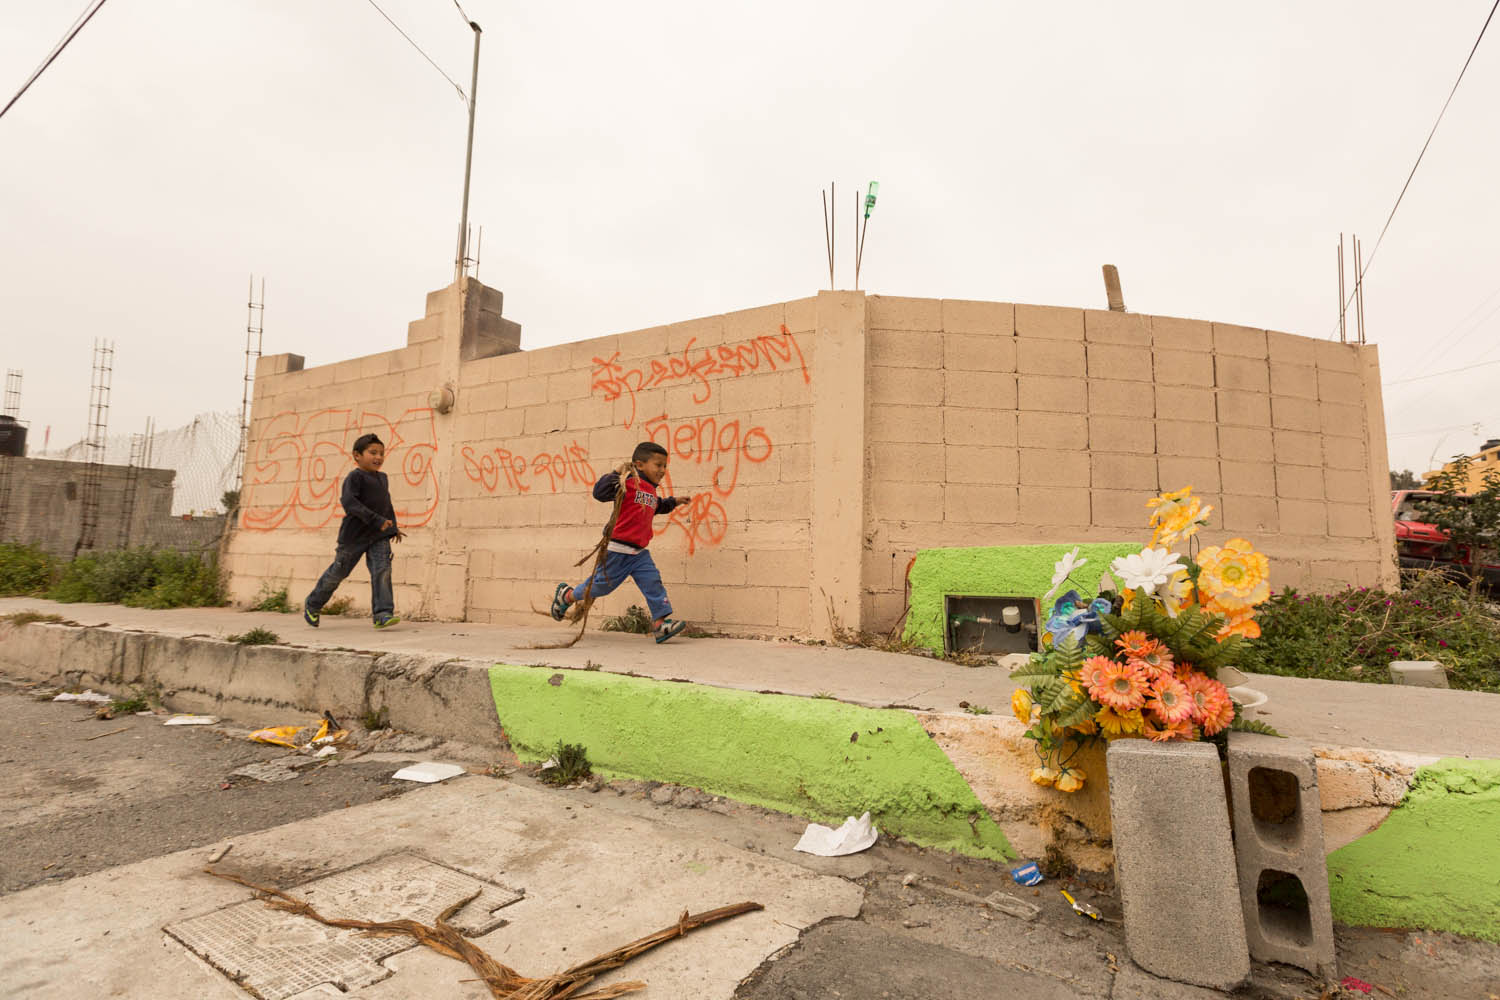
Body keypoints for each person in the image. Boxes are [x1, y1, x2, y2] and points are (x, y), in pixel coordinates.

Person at [549, 441, 697, 643]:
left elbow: (658, 506)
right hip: (617, 551)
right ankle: (567, 596)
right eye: (658, 465)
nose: (662, 470)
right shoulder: (627, 483)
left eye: (665, 466)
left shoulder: (651, 491)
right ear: (639, 464)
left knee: (653, 582)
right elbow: (599, 493)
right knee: (600, 587)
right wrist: (615, 472)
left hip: (639, 554)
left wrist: (675, 501)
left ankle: (660, 624)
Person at [303, 433, 404, 629]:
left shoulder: (383, 478)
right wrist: (376, 520)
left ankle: (383, 614)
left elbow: (386, 504)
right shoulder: (355, 477)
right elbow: (349, 503)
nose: (378, 457)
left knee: (382, 571)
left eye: (382, 453)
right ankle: (313, 604)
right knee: (338, 572)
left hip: (378, 536)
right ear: (357, 455)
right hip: (354, 537)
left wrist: (393, 527)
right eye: (373, 452)